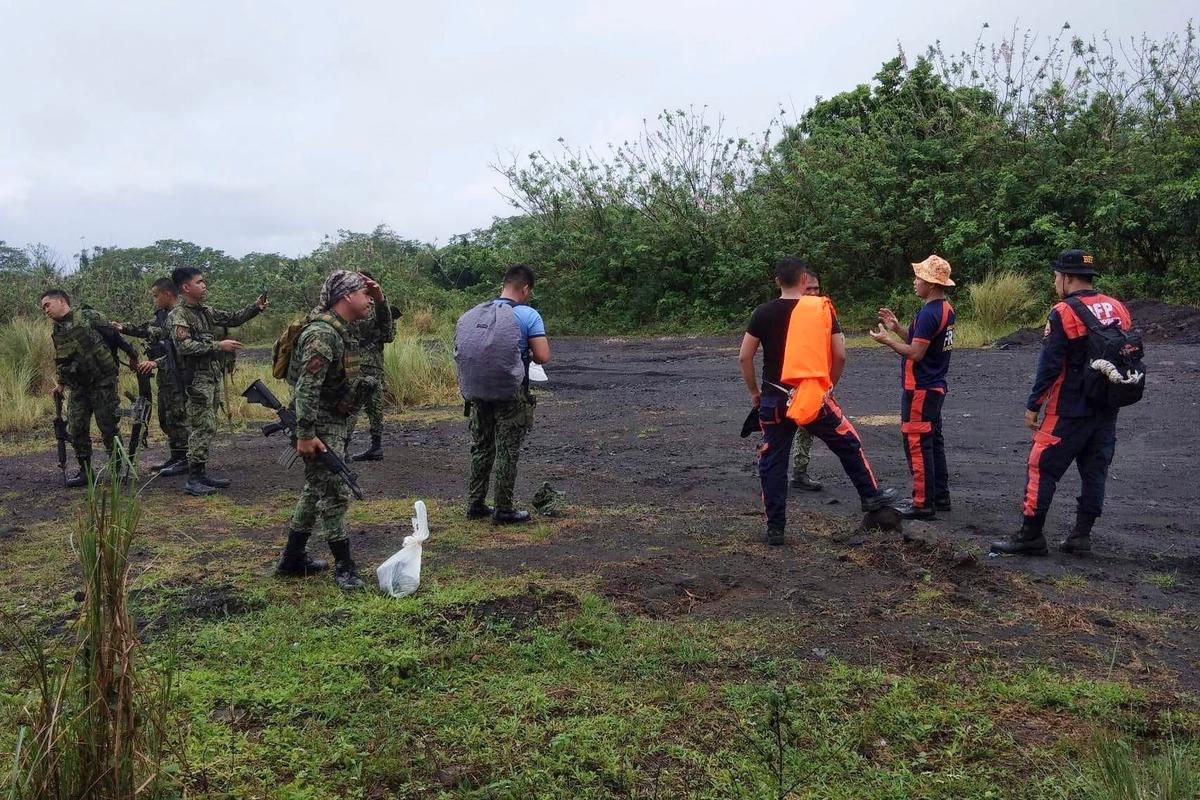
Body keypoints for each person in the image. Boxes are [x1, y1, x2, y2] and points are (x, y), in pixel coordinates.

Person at [739, 258, 897, 545]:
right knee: (846, 442)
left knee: (773, 463)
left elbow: (744, 356)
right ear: (803, 280)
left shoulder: (762, 313)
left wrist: (754, 392)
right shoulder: (820, 309)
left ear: (777, 282)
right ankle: (870, 496)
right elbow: (840, 355)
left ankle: (775, 528)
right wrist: (828, 387)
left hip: (774, 397)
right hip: (811, 396)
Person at [991, 250, 1133, 556]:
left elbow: (1050, 365)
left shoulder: (1063, 312)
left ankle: (1030, 535)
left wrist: (1033, 405)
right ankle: (1081, 536)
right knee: (1095, 470)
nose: (1055, 281)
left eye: (1056, 276)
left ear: (1067, 278)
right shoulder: (1118, 307)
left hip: (1068, 407)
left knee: (1040, 465)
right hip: (1107, 406)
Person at [274, 270, 382, 590]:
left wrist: (379, 297)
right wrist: (305, 434)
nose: (368, 301)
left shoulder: (342, 328)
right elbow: (307, 387)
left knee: (314, 489)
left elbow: (383, 328)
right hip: (317, 422)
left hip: (330, 420)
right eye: (363, 294)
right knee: (335, 492)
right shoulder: (322, 334)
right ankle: (345, 568)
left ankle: (292, 559)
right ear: (346, 297)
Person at [869, 255, 957, 519]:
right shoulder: (944, 309)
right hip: (934, 386)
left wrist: (887, 341)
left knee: (917, 442)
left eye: (919, 277)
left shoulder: (931, 313)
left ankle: (922, 503)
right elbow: (922, 343)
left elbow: (916, 353)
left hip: (920, 387)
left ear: (930, 283)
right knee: (933, 441)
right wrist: (897, 329)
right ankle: (938, 496)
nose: (915, 282)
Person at [167, 267, 267, 496]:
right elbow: (183, 346)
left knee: (209, 425)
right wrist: (217, 346)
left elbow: (232, 318)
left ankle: (201, 474)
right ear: (186, 287)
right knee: (203, 426)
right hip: (195, 379)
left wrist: (255, 308)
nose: (204, 286)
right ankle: (193, 479)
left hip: (209, 376)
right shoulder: (179, 315)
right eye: (200, 282)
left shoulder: (205, 311)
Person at [39, 289, 153, 486]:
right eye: (43, 308)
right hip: (78, 387)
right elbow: (63, 359)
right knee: (77, 429)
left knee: (108, 427)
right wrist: (61, 384)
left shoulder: (89, 316)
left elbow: (116, 338)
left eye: (47, 305)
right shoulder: (57, 331)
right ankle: (86, 472)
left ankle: (117, 469)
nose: (45, 310)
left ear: (60, 301)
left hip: (102, 383)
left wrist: (133, 357)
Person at [467, 264, 550, 524]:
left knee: (482, 447)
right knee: (507, 450)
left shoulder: (476, 313)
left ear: (504, 284)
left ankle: (476, 504)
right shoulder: (528, 315)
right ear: (525, 288)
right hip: (511, 393)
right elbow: (543, 356)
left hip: (479, 392)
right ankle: (504, 509)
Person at [111, 277, 190, 477]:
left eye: (156, 296)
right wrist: (123, 327)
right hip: (165, 375)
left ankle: (186, 459)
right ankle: (176, 455)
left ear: (167, 294)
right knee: (166, 417)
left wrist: (156, 362)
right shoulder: (162, 316)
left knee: (178, 417)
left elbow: (180, 350)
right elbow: (149, 330)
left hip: (180, 374)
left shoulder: (183, 315)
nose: (154, 300)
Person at [347, 271, 396, 461]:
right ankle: (376, 445)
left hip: (353, 363)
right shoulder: (381, 308)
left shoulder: (353, 306)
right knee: (374, 407)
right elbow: (389, 336)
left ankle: (343, 446)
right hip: (373, 363)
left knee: (352, 405)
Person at [790, 268, 825, 493]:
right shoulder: (789, 312)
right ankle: (769, 471)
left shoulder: (823, 311)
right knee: (780, 430)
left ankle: (799, 472)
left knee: (806, 428)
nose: (813, 292)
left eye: (816, 288)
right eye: (808, 288)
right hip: (789, 381)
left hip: (812, 381)